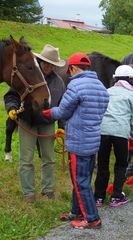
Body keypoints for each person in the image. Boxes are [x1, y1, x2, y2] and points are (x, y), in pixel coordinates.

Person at [42, 52, 109, 229]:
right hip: (93, 140)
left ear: (72, 68)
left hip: (78, 143)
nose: (68, 74)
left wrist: (48, 112)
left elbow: (63, 112)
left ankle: (92, 219)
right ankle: (76, 211)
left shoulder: (76, 86)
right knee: (82, 179)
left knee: (80, 182)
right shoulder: (101, 87)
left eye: (68, 70)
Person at [4, 44, 66, 203]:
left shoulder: (59, 83)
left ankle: (48, 190)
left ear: (54, 66)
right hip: (27, 121)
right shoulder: (28, 75)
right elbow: (11, 96)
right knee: (26, 159)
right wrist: (12, 108)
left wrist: (61, 127)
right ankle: (28, 193)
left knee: (49, 158)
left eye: (51, 64)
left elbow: (63, 106)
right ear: (40, 60)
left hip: (47, 123)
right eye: (45, 62)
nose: (48, 66)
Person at [94, 65, 133, 207]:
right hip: (120, 132)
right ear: (130, 79)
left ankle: (99, 197)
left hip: (103, 131)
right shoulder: (132, 94)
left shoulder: (107, 91)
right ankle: (116, 196)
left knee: (102, 164)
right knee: (121, 164)